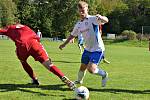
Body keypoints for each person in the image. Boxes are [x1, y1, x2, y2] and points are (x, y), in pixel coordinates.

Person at [0, 23, 76, 90]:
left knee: (23, 61)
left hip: (22, 46)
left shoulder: (9, 29)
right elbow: (36, 37)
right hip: (35, 43)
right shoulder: (26, 27)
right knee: (48, 64)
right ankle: (62, 76)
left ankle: (34, 79)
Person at [59, 1, 109, 87]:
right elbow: (72, 35)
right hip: (87, 49)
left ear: (87, 10)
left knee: (91, 69)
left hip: (97, 49)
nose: (82, 12)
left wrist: (101, 17)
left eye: (83, 10)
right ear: (78, 11)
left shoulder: (92, 19)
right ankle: (79, 81)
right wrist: (64, 44)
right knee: (82, 67)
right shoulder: (78, 24)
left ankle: (104, 74)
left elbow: (106, 20)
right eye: (80, 11)